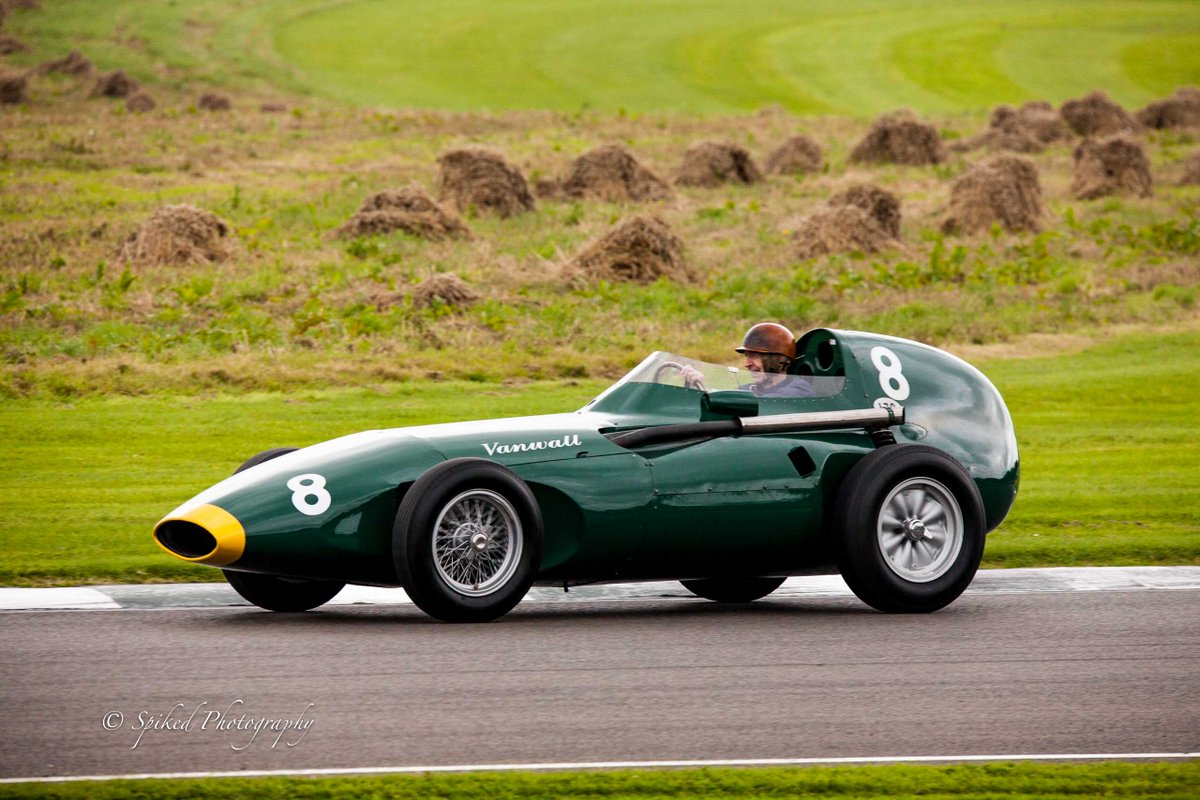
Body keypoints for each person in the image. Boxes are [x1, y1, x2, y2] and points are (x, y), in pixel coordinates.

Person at [682, 322, 815, 398]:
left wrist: (711, 394)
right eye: (746, 356)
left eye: (754, 356)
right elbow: (731, 400)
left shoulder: (799, 392)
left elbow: (761, 405)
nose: (746, 364)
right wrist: (701, 388)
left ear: (776, 360)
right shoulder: (748, 389)